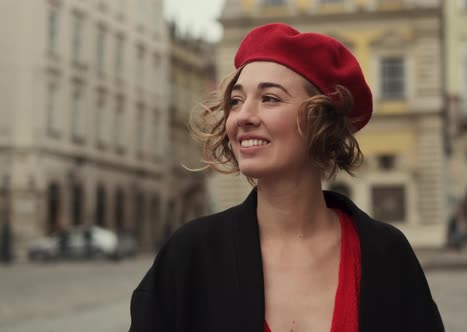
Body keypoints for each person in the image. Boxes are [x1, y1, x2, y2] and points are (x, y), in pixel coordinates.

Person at [130, 23, 444, 332]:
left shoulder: (385, 254)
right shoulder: (190, 254)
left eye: (270, 98)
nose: (243, 117)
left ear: (321, 120)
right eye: (236, 101)